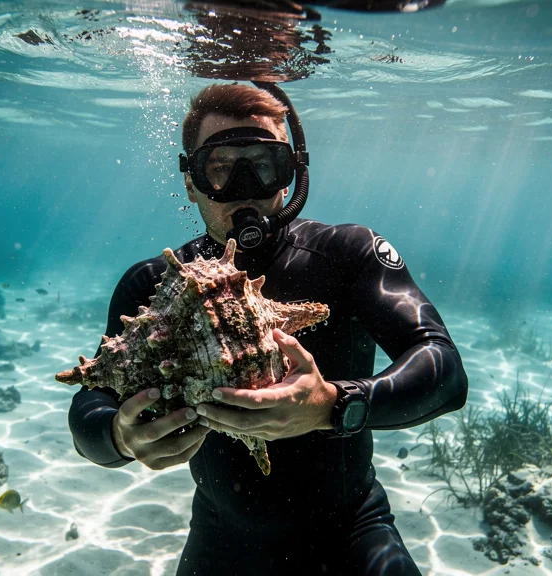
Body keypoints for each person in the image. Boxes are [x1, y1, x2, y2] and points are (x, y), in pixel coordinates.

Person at [68, 82, 468, 575]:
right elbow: (89, 406)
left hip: (352, 529)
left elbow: (445, 372)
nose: (243, 188)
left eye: (263, 165)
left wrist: (332, 406)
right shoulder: (154, 285)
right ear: (191, 182)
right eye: (219, 167)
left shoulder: (348, 255)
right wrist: (120, 437)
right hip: (221, 539)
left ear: (291, 175)